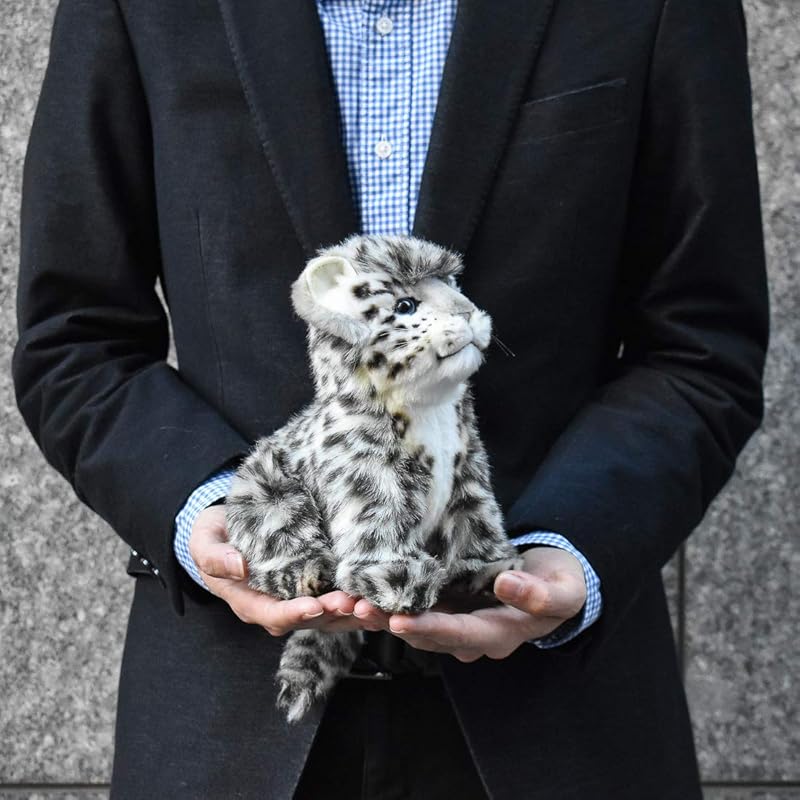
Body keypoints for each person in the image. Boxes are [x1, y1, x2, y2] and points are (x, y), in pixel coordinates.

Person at [13, 0, 768, 798]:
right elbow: (75, 337)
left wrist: (566, 550)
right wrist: (220, 517)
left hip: (560, 722)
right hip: (228, 724)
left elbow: (699, 346)